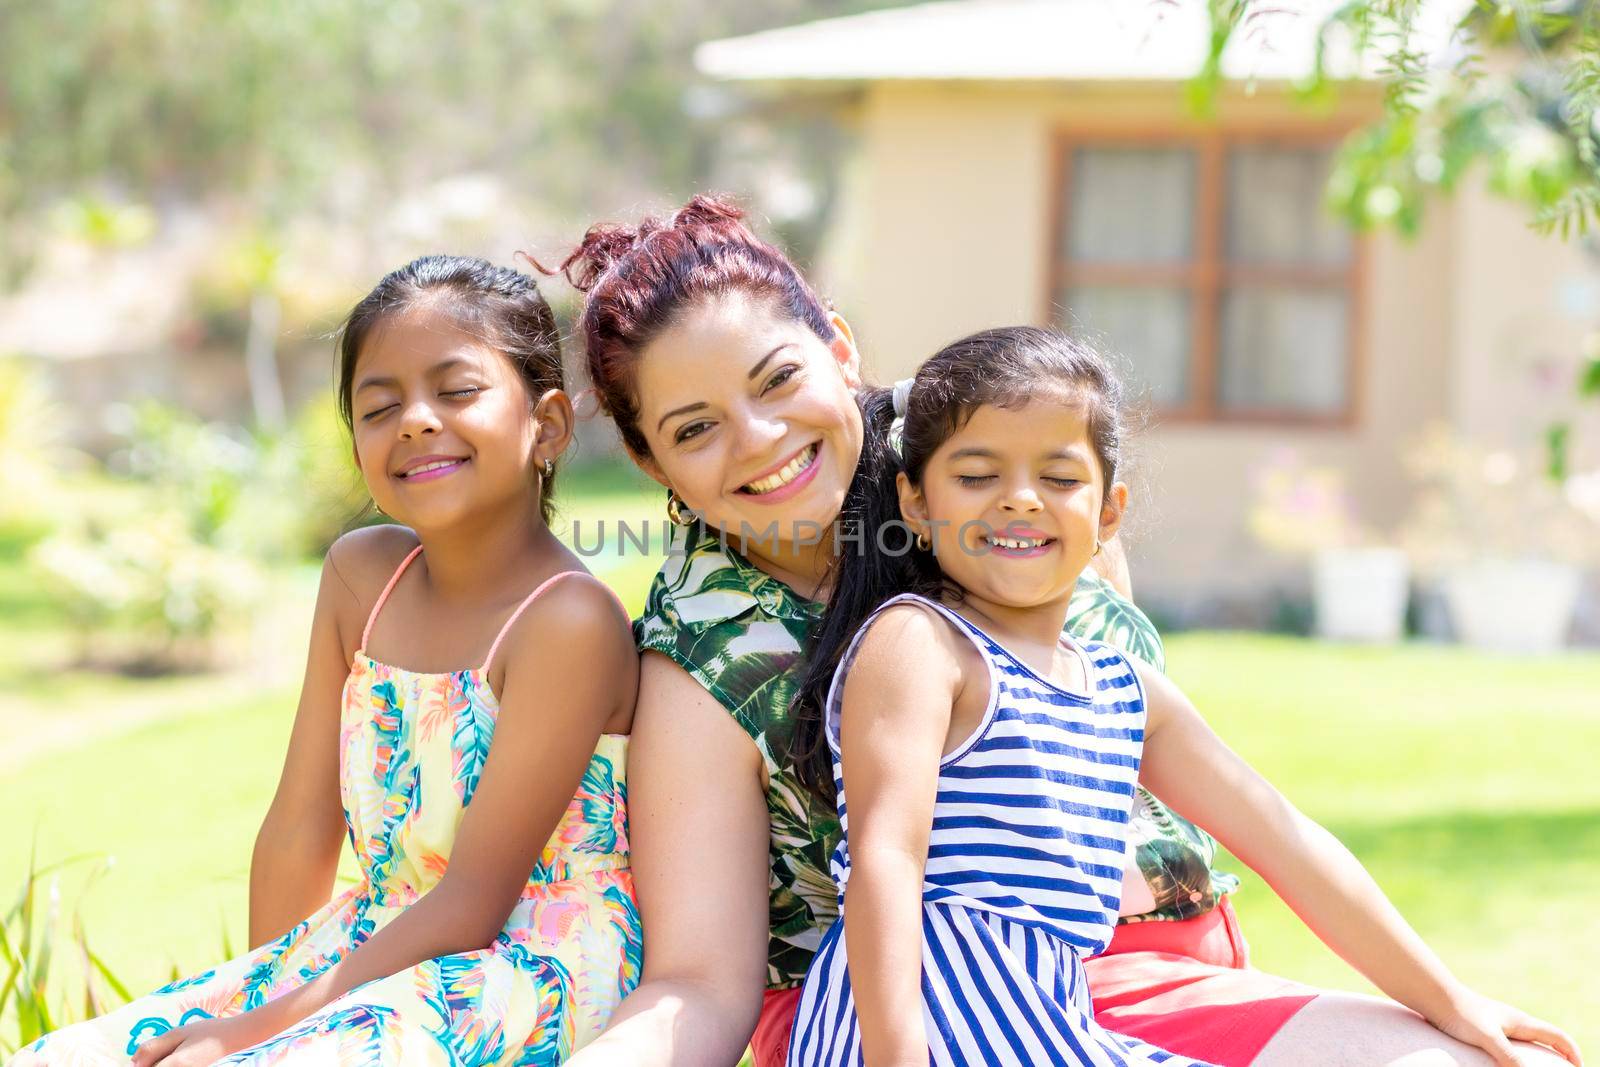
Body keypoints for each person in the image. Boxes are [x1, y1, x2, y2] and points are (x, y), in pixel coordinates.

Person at [554, 195, 1578, 1067]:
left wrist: (1450, 998)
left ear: (838, 343)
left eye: (776, 379)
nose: (761, 439)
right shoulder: (704, 655)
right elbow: (705, 974)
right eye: (694, 427)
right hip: (900, 1013)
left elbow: (1248, 808)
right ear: (650, 465)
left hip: (1147, 977)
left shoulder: (1008, 458)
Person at [782, 326, 1577, 1067]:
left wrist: (1449, 999)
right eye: (978, 475)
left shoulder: (1125, 690)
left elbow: (1284, 839)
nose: (1020, 498)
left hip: (1042, 1018)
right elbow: (887, 859)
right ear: (917, 501)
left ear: (1109, 512)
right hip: (910, 1022)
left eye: (1059, 477)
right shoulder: (920, 643)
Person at [15, 256, 642, 1067]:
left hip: (527, 964)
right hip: (381, 945)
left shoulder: (568, 619)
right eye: (379, 407)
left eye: (456, 392)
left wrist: (254, 1035)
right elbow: (300, 826)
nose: (415, 420)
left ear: (547, 425)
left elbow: (476, 900)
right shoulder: (361, 576)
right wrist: (252, 997)